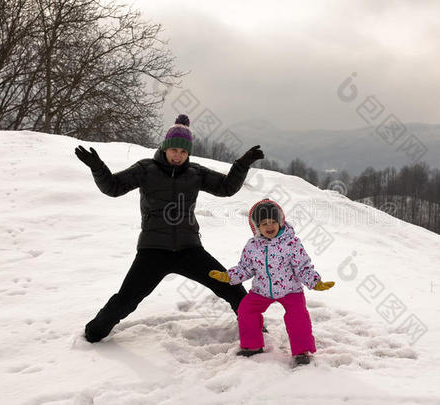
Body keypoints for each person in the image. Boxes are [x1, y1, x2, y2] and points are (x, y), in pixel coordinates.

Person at [75, 114, 264, 343]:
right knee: (126, 299)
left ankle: (254, 326)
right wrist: (98, 168)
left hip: (189, 250)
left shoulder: (195, 173)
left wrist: (242, 164)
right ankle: (92, 334)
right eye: (174, 150)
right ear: (165, 148)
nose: (178, 155)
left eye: (183, 152)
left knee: (230, 285)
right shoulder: (146, 169)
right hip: (153, 250)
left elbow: (226, 187)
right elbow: (114, 187)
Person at [209, 199, 335, 365]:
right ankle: (252, 346)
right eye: (264, 223)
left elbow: (302, 267)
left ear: (280, 221)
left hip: (291, 290)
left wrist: (315, 282)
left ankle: (302, 351)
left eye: (273, 222)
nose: (269, 227)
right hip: (261, 290)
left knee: (298, 315)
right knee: (246, 309)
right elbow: (246, 268)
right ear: (256, 226)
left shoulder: (292, 243)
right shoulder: (252, 245)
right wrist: (229, 276)